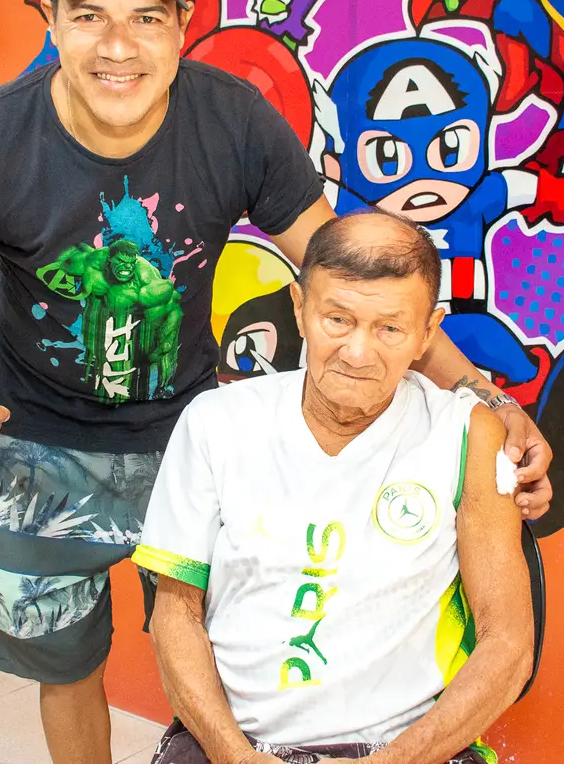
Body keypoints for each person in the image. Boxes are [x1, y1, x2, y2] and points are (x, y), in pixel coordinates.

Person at [0, 0, 551, 764]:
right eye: (88, 15)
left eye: (145, 18)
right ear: (49, 17)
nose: (117, 47)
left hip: (186, 434)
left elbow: (353, 280)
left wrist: (483, 396)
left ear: (183, 24)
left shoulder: (233, 120)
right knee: (66, 668)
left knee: (218, 644)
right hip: (37, 447)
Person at [135, 211, 534, 764]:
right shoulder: (216, 422)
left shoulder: (467, 434)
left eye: (390, 328)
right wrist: (237, 757)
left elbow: (508, 644)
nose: (358, 353)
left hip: (405, 746)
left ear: (427, 332)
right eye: (338, 320)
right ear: (300, 309)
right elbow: (175, 614)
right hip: (237, 742)